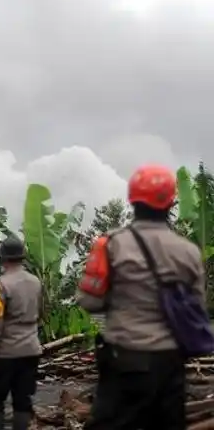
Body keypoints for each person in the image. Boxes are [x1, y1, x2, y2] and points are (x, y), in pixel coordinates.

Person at [77, 164, 208, 429]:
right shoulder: (189, 252)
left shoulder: (111, 244)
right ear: (170, 202)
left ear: (132, 199)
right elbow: (197, 307)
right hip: (170, 363)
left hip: (124, 359)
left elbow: (90, 301)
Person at [0, 234, 42, 430]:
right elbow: (40, 313)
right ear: (22, 257)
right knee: (23, 399)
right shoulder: (36, 282)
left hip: (5, 354)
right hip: (31, 351)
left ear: (3, 259)